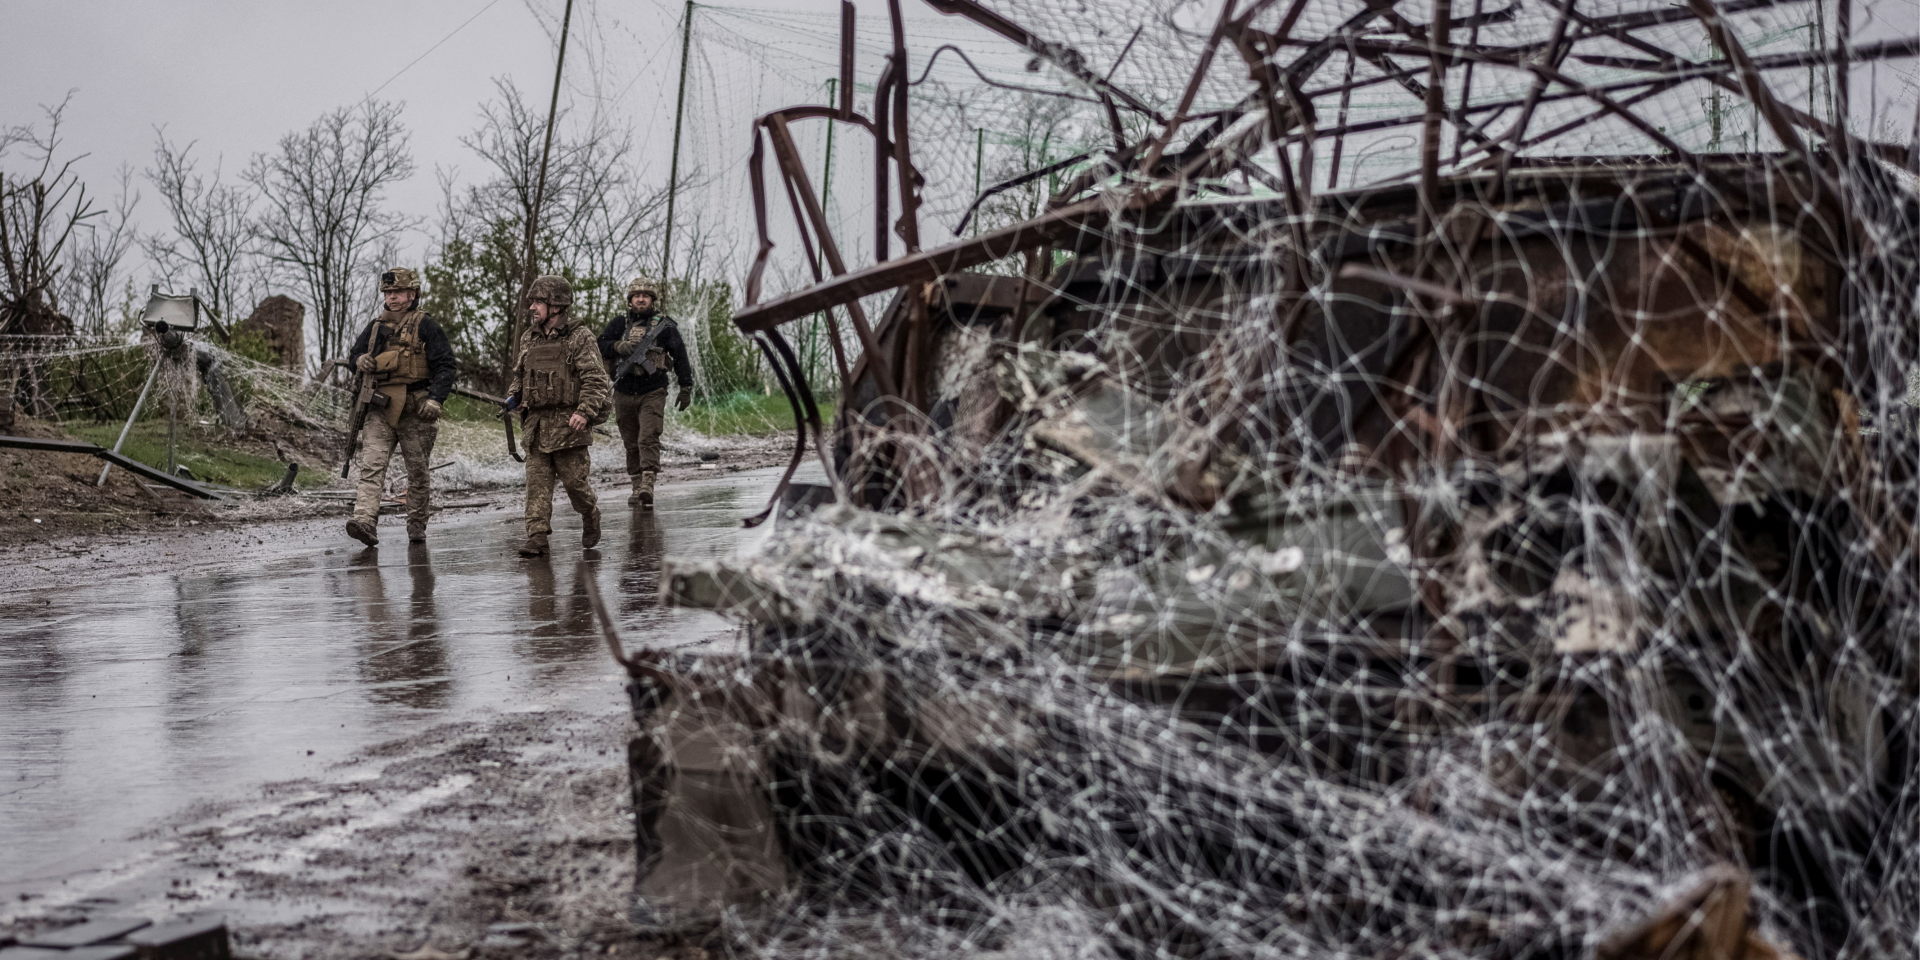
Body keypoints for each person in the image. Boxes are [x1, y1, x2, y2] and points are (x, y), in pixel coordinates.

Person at [343, 267, 457, 547]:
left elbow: (446, 366)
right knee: (371, 466)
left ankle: (416, 525)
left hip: (416, 409)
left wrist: (435, 399)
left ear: (412, 294)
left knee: (418, 472)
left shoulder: (426, 325)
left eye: (397, 292)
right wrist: (359, 362)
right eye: (388, 293)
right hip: (379, 407)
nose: (392, 298)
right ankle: (364, 521)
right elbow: (354, 355)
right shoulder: (375, 327)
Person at [507, 274, 611, 557]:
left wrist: (585, 412)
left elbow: (595, 379)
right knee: (536, 485)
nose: (532, 307)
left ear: (557, 305)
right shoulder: (530, 337)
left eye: (538, 302)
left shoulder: (580, 337)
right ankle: (537, 536)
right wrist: (514, 396)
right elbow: (520, 375)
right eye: (532, 302)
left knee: (576, 485)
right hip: (537, 427)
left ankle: (590, 514)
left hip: (569, 427)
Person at [597, 277, 693, 511]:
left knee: (648, 437)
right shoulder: (619, 324)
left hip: (653, 389)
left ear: (652, 299)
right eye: (636, 296)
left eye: (646, 295)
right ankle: (636, 484)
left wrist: (685, 386)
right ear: (630, 300)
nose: (641, 299)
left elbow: (680, 355)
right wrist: (617, 346)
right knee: (630, 442)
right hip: (623, 391)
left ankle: (648, 485)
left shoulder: (664, 326)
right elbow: (599, 344)